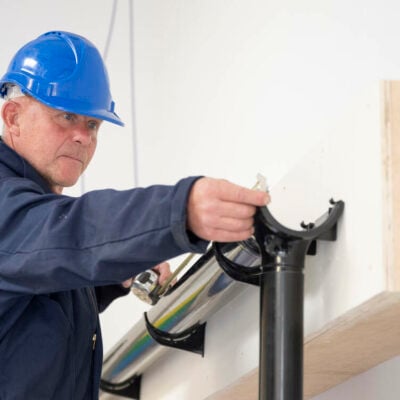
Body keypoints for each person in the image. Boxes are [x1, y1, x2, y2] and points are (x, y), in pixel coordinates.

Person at [0, 31, 269, 400]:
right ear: (12, 117)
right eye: (65, 116)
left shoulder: (34, 239)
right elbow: (68, 232)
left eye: (92, 125)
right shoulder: (15, 211)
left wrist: (115, 278)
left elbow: (34, 304)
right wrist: (180, 210)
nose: (83, 137)